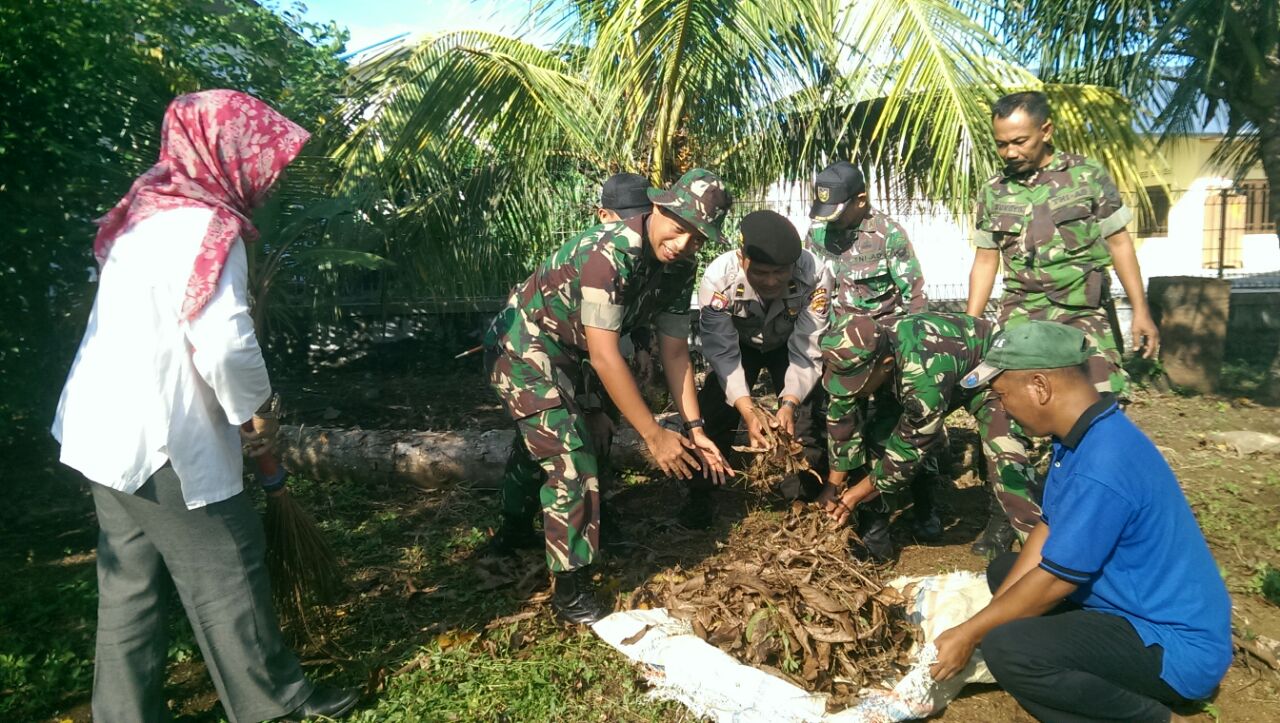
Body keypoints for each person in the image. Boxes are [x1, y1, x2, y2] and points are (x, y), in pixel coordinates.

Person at [51, 91, 357, 723]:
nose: (268, 180)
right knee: (229, 568)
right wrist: (257, 414)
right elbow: (224, 343)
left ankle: (122, 714)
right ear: (228, 156)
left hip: (99, 430)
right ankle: (277, 706)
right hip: (162, 440)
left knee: (129, 584)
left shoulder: (144, 214)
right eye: (263, 163)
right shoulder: (209, 229)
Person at [931, 321, 1231, 723]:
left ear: (1040, 386)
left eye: (1002, 395)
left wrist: (971, 632)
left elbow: (1057, 578)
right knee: (1005, 573)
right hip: (1129, 606)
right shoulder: (1080, 435)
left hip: (1174, 645)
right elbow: (1048, 527)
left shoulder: (1103, 463)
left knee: (1009, 649)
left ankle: (1146, 717)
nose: (1001, 407)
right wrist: (995, 612)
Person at [483, 168, 735, 624]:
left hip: (577, 349)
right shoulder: (610, 251)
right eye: (678, 228)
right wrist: (653, 434)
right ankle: (571, 587)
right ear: (657, 208)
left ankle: (514, 528)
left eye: (697, 238)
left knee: (564, 439)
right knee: (570, 451)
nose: (683, 244)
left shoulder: (679, 267)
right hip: (525, 345)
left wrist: (694, 428)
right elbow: (604, 356)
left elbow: (675, 350)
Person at [964, 90, 1161, 554]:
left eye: (1020, 141)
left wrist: (1142, 311)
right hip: (1022, 315)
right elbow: (986, 260)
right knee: (999, 412)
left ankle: (1092, 517)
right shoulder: (994, 191)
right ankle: (1006, 515)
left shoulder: (1088, 176)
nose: (1010, 151)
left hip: (1083, 315)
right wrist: (973, 326)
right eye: (1001, 144)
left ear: (1046, 131)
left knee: (1100, 413)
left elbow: (1119, 245)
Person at [818, 313, 1039, 562]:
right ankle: (880, 536)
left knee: (1006, 456)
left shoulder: (921, 373)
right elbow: (842, 421)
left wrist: (855, 494)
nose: (848, 389)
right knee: (880, 436)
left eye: (856, 384)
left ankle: (1028, 544)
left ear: (886, 364)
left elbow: (910, 447)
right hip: (929, 376)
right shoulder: (851, 355)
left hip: (986, 374)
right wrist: (833, 485)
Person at [687, 209, 832, 526]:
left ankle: (801, 500)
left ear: (794, 265)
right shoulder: (717, 280)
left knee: (807, 416)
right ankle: (700, 495)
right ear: (742, 259)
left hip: (791, 344)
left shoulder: (815, 275)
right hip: (739, 345)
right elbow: (722, 353)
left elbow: (808, 345)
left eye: (780, 273)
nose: (771, 282)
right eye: (761, 272)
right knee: (713, 410)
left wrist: (789, 402)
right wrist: (748, 410)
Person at [805, 160, 927, 321]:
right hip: (831, 336)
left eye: (837, 213)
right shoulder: (817, 232)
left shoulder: (889, 235)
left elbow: (915, 296)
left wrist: (914, 340)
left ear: (860, 200)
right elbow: (806, 287)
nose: (830, 220)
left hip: (879, 335)